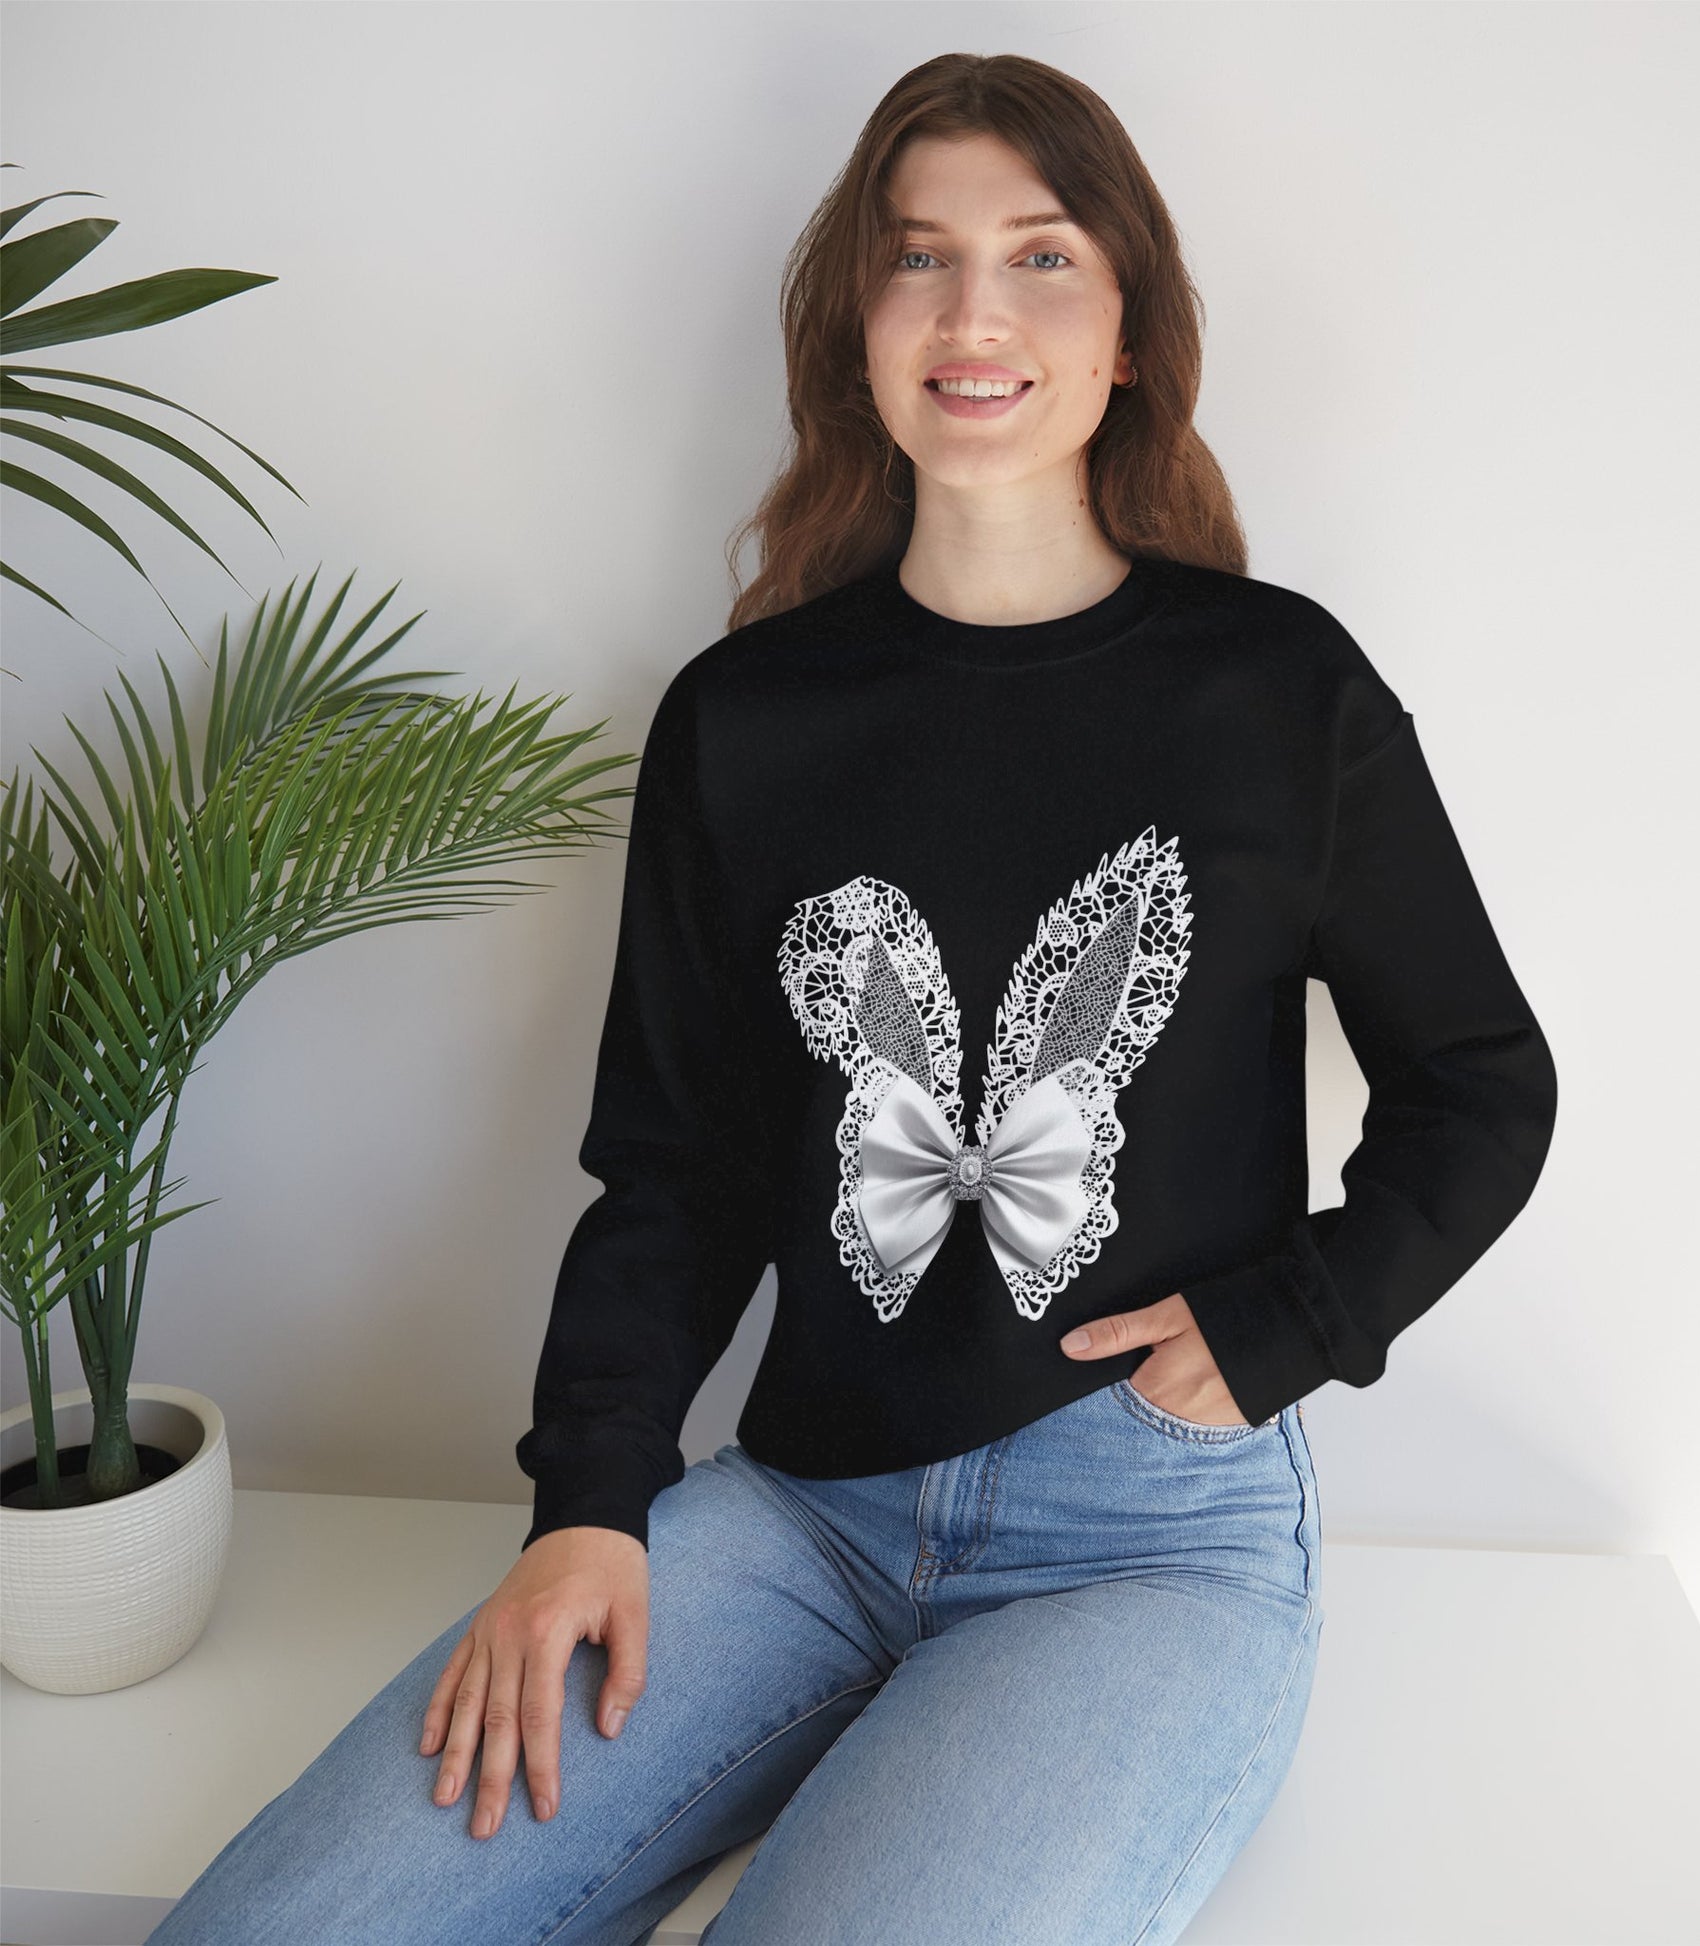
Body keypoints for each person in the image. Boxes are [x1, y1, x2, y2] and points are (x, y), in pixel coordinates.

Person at [147, 51, 1557, 1946]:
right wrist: (588, 1503)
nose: (974, 312)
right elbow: (677, 1165)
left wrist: (1290, 1318)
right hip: (797, 1508)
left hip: (1142, 1536)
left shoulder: (1277, 692)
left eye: (1040, 256)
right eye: (917, 258)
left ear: (1127, 331)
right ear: (856, 326)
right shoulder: (745, 718)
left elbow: (1480, 1080)